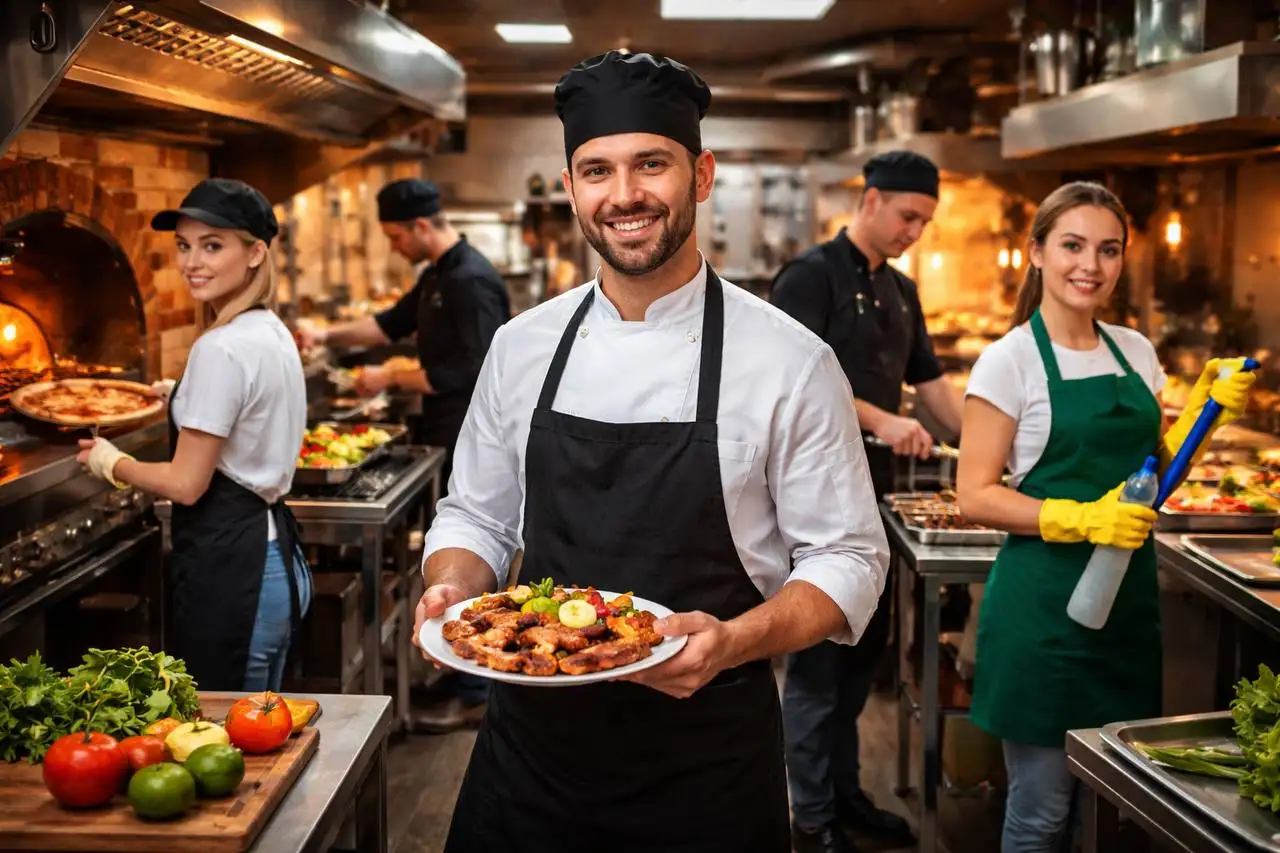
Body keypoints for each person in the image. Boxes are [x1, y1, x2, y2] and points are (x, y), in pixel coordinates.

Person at [410, 50, 891, 853]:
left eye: (651, 165)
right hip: (531, 759)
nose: (624, 195)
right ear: (571, 188)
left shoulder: (789, 360)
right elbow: (476, 515)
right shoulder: (522, 346)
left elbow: (848, 559)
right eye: (596, 170)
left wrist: (734, 639)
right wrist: (451, 591)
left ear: (700, 176)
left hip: (706, 765)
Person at [955, 181, 1255, 852]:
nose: (1090, 264)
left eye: (1108, 249)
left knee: (1116, 809)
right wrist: (1083, 519)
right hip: (1043, 614)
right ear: (1035, 252)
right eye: (1071, 245)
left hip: (1125, 610)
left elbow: (1156, 472)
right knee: (1040, 812)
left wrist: (1206, 408)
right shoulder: (1010, 362)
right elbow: (975, 493)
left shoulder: (1135, 350)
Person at [769, 150, 962, 851]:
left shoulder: (902, 291)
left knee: (859, 662)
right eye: (909, 215)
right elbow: (783, 380)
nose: (916, 230)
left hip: (879, 506)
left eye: (925, 221)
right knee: (818, 665)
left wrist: (989, 440)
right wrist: (883, 419)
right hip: (815, 508)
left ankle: (844, 796)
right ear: (872, 199)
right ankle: (810, 818)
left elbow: (933, 387)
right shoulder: (809, 276)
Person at [77, 178, 312, 692]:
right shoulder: (270, 329)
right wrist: (183, 395)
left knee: (231, 747)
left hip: (237, 573)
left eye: (213, 245)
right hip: (276, 562)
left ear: (254, 253)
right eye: (184, 246)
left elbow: (187, 484)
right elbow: (251, 408)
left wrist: (110, 462)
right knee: (263, 737)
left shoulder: (221, 348)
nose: (192, 263)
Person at [300, 178, 510, 731]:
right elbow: (387, 323)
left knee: (471, 552)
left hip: (471, 441)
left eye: (396, 237)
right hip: (440, 431)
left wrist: (388, 373)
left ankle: (475, 688)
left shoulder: (470, 281)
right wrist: (322, 335)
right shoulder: (438, 275)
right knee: (447, 556)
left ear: (421, 227)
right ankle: (461, 667)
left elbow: (471, 369)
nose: (394, 248)